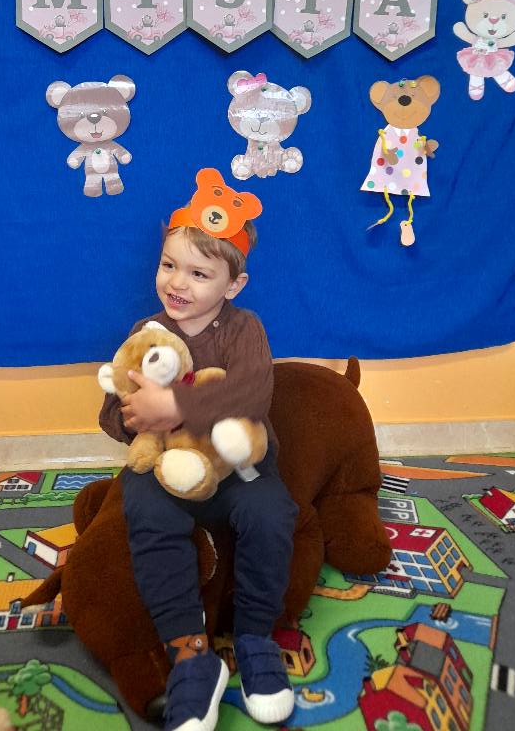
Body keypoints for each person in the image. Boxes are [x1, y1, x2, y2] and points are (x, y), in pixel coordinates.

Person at [100, 169, 298, 731]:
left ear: (233, 285)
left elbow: (253, 394)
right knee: (143, 509)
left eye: (199, 273)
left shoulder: (244, 329)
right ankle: (190, 653)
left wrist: (176, 407)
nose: (177, 283)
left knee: (272, 512)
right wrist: (133, 416)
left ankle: (256, 637)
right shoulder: (147, 330)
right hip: (166, 467)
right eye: (169, 266)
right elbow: (112, 409)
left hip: (236, 468)